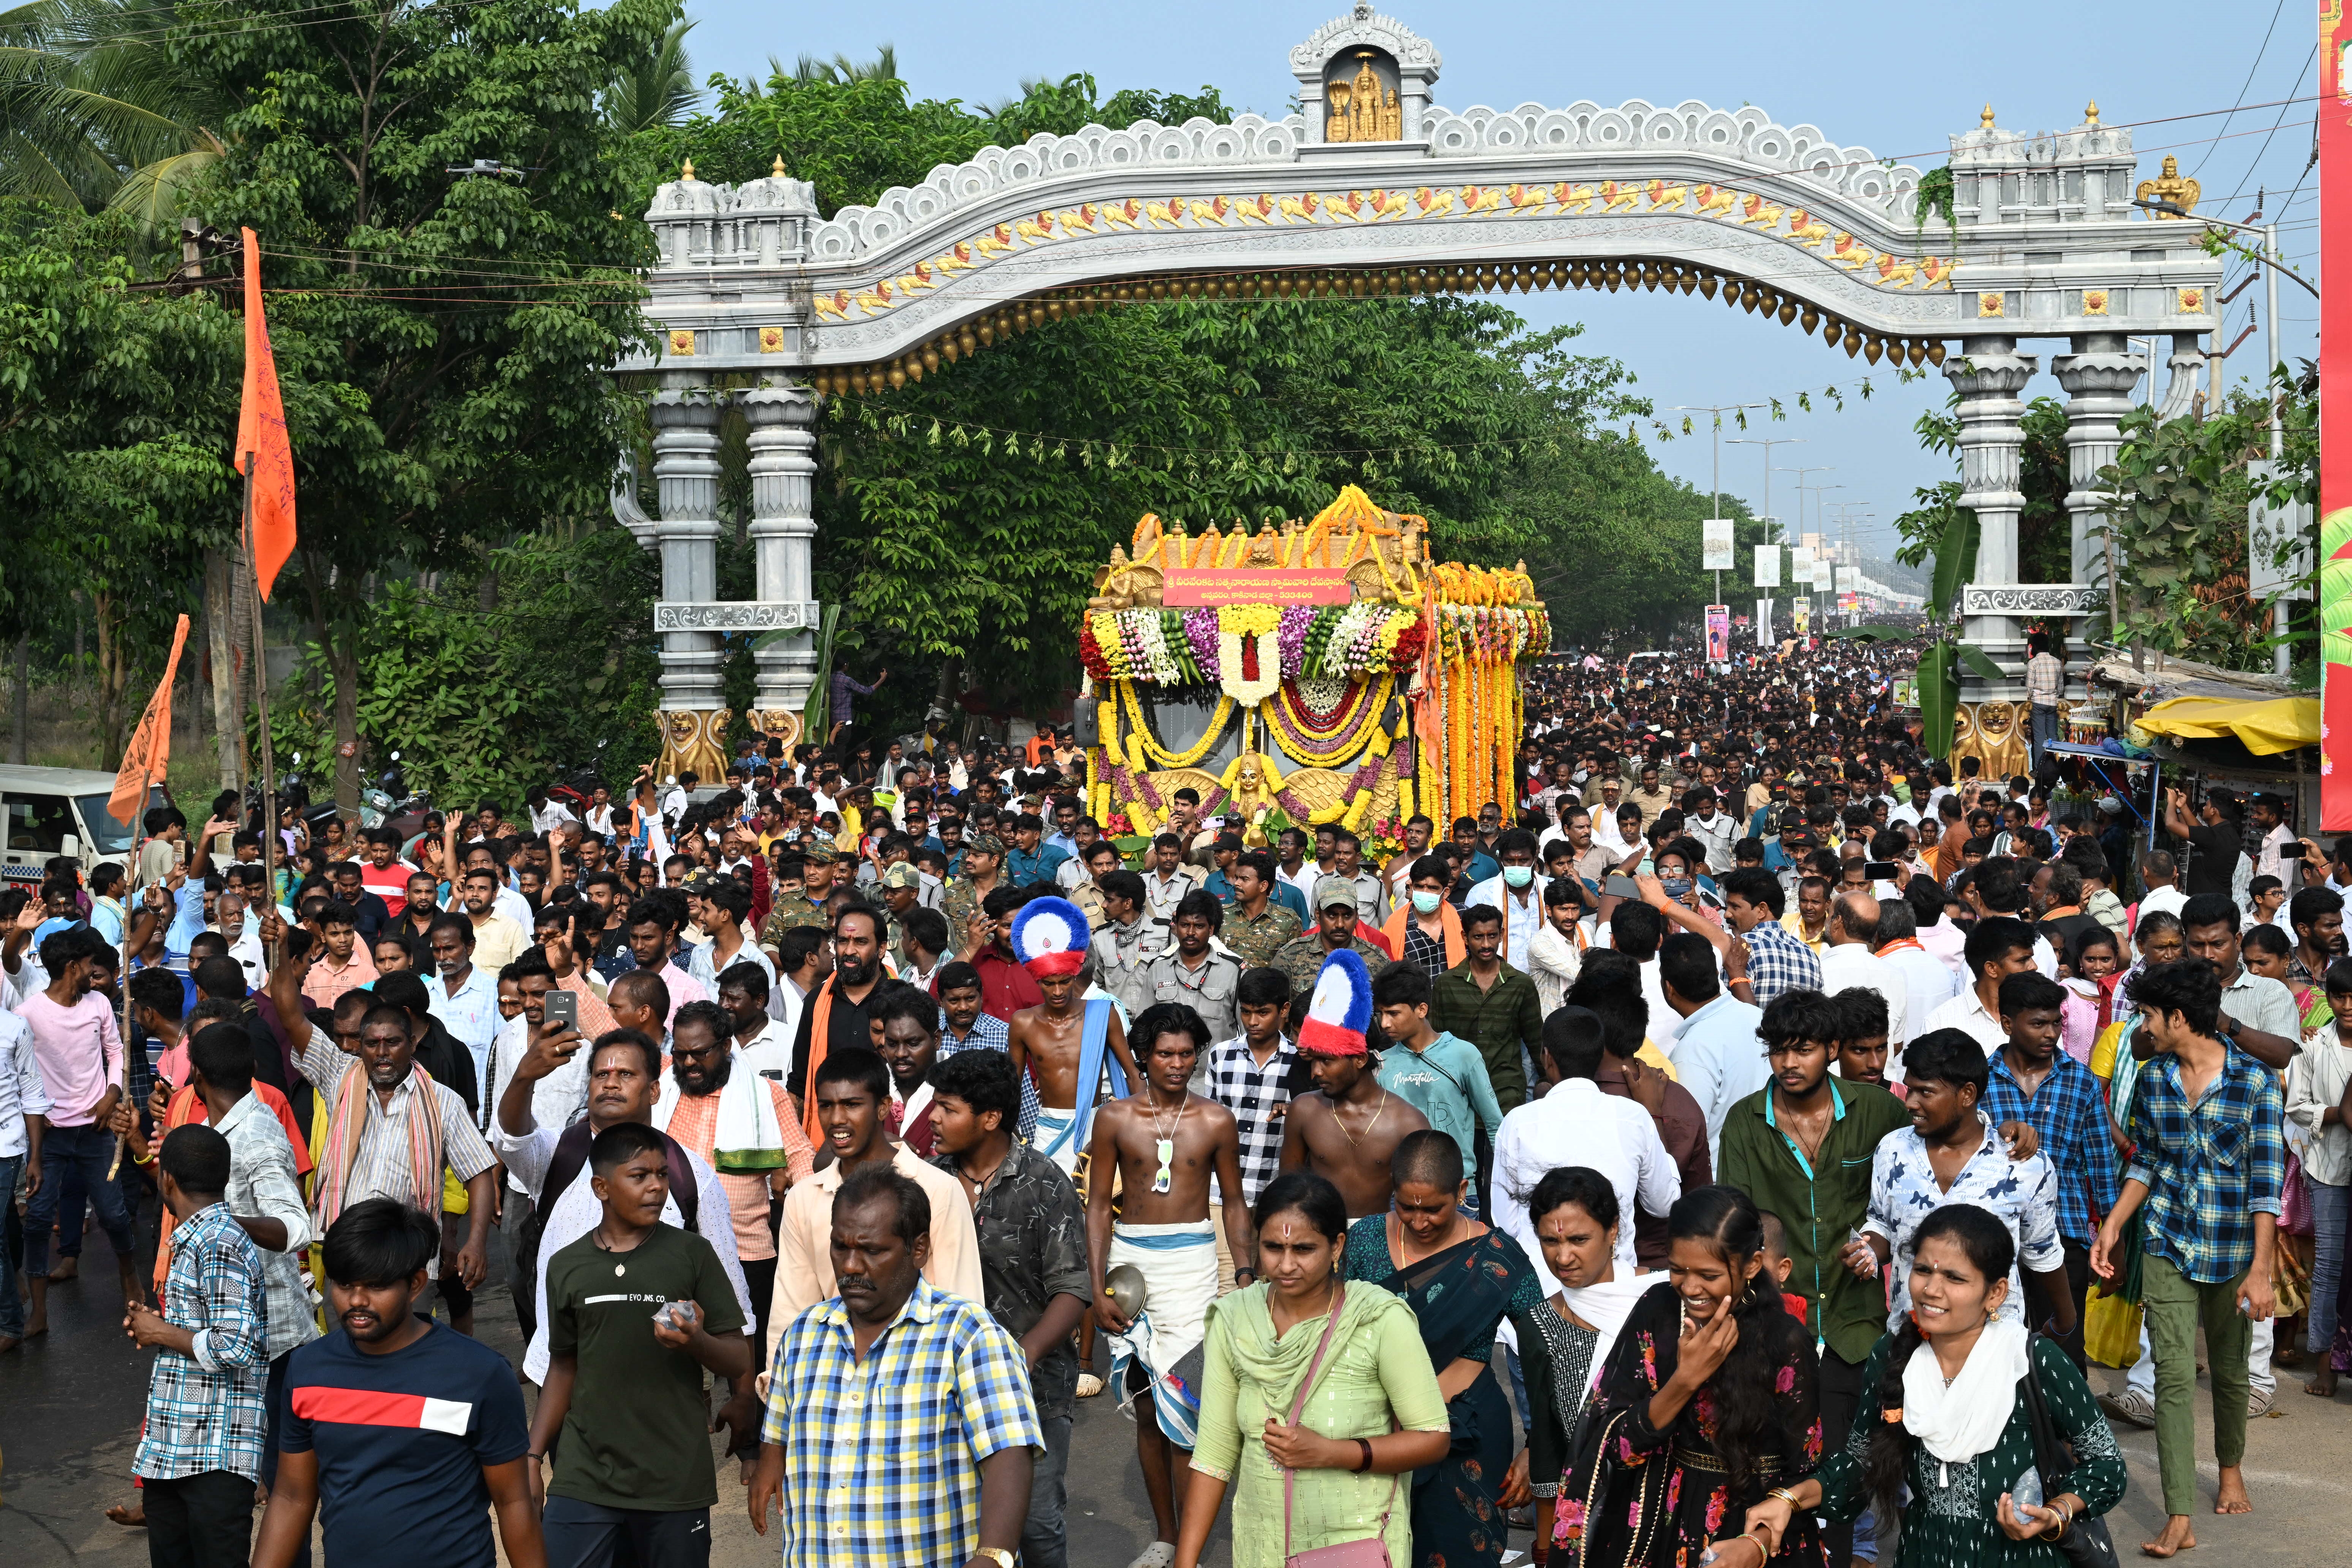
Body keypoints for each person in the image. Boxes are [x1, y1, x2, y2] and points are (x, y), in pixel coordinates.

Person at [1745, 1203, 2127, 1568]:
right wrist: (1789, 1499)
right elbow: (1858, 1467)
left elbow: (2107, 1466)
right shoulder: (1893, 1356)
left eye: (1955, 1278)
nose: (1931, 1289)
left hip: (2020, 1557)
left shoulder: (2031, 1361)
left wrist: (2055, 1513)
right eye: (1923, 1270)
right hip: (1924, 1555)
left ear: (1995, 1293)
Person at [749, 1163, 1038, 1568]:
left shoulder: (966, 1334)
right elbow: (779, 1431)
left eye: (872, 1251)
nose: (850, 1266)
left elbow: (1009, 1450)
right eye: (841, 1247)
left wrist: (993, 1556)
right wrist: (768, 1459)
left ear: (918, 1249)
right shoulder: (803, 1335)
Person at [2092, 958, 2284, 1558]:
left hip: (2233, 1252)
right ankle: (2179, 1513)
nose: (2142, 1027)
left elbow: (2265, 1183)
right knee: (2173, 1377)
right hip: (2168, 1243)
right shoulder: (2154, 1080)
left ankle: (2230, 1468)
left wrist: (2262, 1267)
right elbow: (2147, 1161)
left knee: (2230, 1374)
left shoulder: (2255, 1082)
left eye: (2150, 1015)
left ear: (2179, 1017)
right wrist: (2116, 1227)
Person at [1171, 1169, 1451, 1568]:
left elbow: (1433, 1437)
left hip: (1354, 1545)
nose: (1286, 1266)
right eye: (1272, 1248)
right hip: (1261, 1546)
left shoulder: (1377, 1319)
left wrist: (1331, 1453)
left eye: (1303, 1249)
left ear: (1337, 1245)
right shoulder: (1235, 1319)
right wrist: (1186, 1562)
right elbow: (1214, 1455)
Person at [1716, 988, 1907, 1566]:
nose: (1789, 1064)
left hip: (1857, 1322)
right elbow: (1737, 1226)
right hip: (1780, 1325)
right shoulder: (1746, 1122)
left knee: (1849, 1466)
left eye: (1803, 1050)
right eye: (1779, 1051)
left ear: (1831, 1050)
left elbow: (1918, 1184)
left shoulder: (1879, 1113)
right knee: (1782, 1462)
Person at [254, 1200, 544, 1568]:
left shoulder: (481, 1375)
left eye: (376, 1286)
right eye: (344, 1284)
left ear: (416, 1285)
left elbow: (514, 1502)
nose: (356, 1300)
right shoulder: (308, 1370)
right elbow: (292, 1496)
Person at [1553, 1186, 1824, 1567]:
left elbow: (1808, 1472)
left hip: (1757, 1531)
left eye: (1709, 1274)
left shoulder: (1786, 1341)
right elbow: (1615, 1448)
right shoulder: (1658, 1311)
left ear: (1752, 1264)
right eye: (1678, 1270)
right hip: (1664, 1521)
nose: (1691, 1288)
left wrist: (1757, 1543)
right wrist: (1685, 1380)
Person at [529, 1121, 752, 1568]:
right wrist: (533, 1456)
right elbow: (563, 1366)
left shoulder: (692, 1254)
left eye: (663, 1175)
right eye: (640, 1176)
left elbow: (737, 1356)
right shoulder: (566, 1266)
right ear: (601, 1187)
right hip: (584, 1476)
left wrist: (697, 1342)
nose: (657, 1188)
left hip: (674, 1477)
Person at [1087, 1002, 1256, 1567]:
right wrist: (1096, 1287)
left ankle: (1193, 1543)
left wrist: (1248, 1275)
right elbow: (1096, 1208)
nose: (1177, 1064)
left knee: (1188, 1406)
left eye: (1187, 1053)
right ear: (1143, 1054)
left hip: (1193, 1268)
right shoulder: (1114, 1118)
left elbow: (1233, 1202)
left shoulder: (1214, 1121)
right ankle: (1166, 1537)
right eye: (1165, 1054)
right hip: (1132, 1267)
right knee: (1145, 1402)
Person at [1340, 1130, 1541, 1568]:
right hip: (1378, 1431)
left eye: (1434, 1208)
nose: (1419, 1221)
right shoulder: (1367, 1240)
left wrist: (1537, 1446)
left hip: (1467, 1434)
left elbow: (1545, 1356)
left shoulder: (1500, 1256)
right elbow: (1336, 1335)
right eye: (1406, 1207)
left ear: (1463, 1191)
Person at [929, 1049, 1092, 1568]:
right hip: (944, 1388)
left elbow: (1073, 1289)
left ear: (991, 1118)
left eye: (948, 1109)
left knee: (1036, 1524)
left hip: (1035, 1390)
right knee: (966, 1529)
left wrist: (1021, 1356)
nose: (933, 1118)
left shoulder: (1045, 1182)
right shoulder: (927, 1183)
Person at [1856, 1030, 2073, 1345]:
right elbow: (1881, 1224)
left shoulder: (2023, 1164)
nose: (1910, 1103)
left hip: (1993, 1347)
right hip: (1909, 1343)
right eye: (1910, 1090)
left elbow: (2042, 1252)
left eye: (1925, 1093)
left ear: (1967, 1094)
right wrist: (1866, 1251)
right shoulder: (1893, 1150)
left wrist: (2066, 1319)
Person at [768, 1045, 980, 1352]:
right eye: (827, 1106)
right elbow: (790, 1309)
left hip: (919, 1371)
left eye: (852, 1104)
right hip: (832, 1371)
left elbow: (961, 1305)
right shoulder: (804, 1197)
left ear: (884, 1107)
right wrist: (780, 1386)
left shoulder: (939, 1190)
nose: (837, 1119)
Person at [127, 1124, 269, 1568]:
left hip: (215, 1458)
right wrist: (156, 1325)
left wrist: (160, 1333)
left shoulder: (219, 1243)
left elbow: (236, 1345)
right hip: (174, 1449)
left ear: (166, 1179)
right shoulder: (198, 1239)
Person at [1505, 1166, 1658, 1552]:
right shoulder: (1540, 1324)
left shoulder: (1661, 1298)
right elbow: (1549, 1449)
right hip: (1592, 1521)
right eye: (1550, 1242)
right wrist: (1545, 1552)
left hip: (1670, 1506)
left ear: (1613, 1231)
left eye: (1579, 1239)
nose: (1564, 1256)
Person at [653, 1000, 812, 1363]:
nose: (689, 1063)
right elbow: (607, 1030)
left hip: (746, 1253)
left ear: (726, 1047)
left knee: (748, 1355)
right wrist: (567, 974)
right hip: (670, 1253)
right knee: (676, 1356)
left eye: (700, 1053)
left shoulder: (765, 1095)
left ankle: (749, 1415)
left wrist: (814, 1216)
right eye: (681, 1054)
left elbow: (800, 1155)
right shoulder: (662, 1085)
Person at [1981, 971, 2119, 1369]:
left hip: (2065, 1232)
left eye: (2057, 1023)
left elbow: (2100, 1164)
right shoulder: (1981, 1080)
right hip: (1994, 1232)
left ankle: (2065, 1431)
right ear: (2008, 1023)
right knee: (1998, 1349)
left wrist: (2113, 1241)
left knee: (2064, 1349)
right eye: (2038, 1024)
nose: (2051, 1034)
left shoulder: (2081, 1081)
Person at [1493, 1004, 1679, 1276]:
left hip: (1540, 1286)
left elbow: (1507, 1225)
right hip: (1612, 1287)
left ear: (1547, 1058)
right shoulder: (1634, 1117)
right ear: (1600, 1056)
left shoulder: (1518, 1123)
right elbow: (1664, 1204)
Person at [16, 925, 138, 1334]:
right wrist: (34, 1114)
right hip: (48, 1137)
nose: (94, 971)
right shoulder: (28, 1014)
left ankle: (129, 1277)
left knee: (114, 1214)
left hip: (96, 1130)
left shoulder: (99, 1005)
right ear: (73, 967)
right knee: (36, 1221)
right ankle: (39, 1313)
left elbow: (116, 1050)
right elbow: (18, 1074)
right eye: (88, 964)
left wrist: (113, 1093)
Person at [1279, 954, 1431, 1220]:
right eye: (1313, 1060)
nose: (1315, 1072)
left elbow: (1421, 1205)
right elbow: (1288, 1192)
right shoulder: (1304, 1110)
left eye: (1326, 1061)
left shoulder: (1407, 1121)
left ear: (1360, 1059)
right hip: (1319, 1241)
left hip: (1381, 1243)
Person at [1005, 896, 1135, 1174]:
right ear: (1037, 981)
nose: (1057, 991)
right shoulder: (1023, 1023)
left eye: (1065, 982)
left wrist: (1147, 1126)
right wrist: (1007, 1129)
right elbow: (1012, 1085)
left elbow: (1132, 1074)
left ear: (1075, 976)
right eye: (1049, 984)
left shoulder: (1103, 1013)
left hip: (1096, 1125)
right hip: (1048, 1127)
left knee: (1097, 1204)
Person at [1369, 961, 1502, 1212]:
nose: (1385, 1024)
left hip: (1458, 1195)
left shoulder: (1463, 1055)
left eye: (1393, 1014)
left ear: (1421, 1009)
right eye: (1380, 1014)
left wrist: (1503, 1189)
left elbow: (1495, 1125)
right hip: (1401, 1198)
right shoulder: (1382, 1063)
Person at [2291, 957, 2352, 1397]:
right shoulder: (2313, 1044)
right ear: (2327, 998)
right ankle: (2325, 1361)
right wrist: (2341, 1115)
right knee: (2330, 1265)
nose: (2348, 1005)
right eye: (2339, 996)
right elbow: (2297, 1106)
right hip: (2329, 1166)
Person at [1657, 931, 1767, 1169]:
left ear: (1669, 987)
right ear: (1716, 974)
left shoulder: (1692, 1052)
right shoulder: (1759, 1018)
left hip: (1722, 1185)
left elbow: (1689, 1135)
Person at [1428, 902, 1545, 1112]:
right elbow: (1434, 1042)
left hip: (1506, 1093)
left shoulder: (1521, 984)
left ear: (1501, 935)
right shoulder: (1447, 984)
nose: (1486, 945)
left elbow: (1537, 1042)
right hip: (1458, 1094)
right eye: (1478, 937)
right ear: (1465, 937)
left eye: (1492, 936)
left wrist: (1549, 1082)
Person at [1922, 914, 2039, 1050]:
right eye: (2023, 960)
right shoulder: (1942, 1022)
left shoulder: (2042, 1016)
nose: (2034, 966)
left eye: (2031, 958)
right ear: (1992, 969)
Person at [1145, 890, 1242, 1053]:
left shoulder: (1233, 972)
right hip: (1168, 1073)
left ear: (1211, 930)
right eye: (1184, 925)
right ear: (1176, 928)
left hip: (1216, 1074)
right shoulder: (1157, 970)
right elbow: (1146, 1028)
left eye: (1199, 926)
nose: (1190, 933)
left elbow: (1246, 1031)